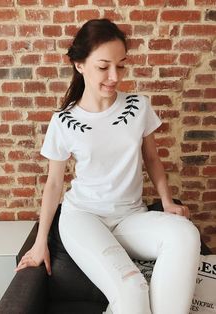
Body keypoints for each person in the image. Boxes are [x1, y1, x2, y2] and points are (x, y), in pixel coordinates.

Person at [16, 19, 201, 314]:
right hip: (83, 219)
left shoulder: (138, 106)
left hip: (130, 217)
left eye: (121, 65)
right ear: (79, 65)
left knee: (187, 234)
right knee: (131, 289)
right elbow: (53, 184)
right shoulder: (63, 122)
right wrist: (41, 243)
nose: (114, 76)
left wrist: (167, 202)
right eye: (104, 67)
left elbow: (152, 159)